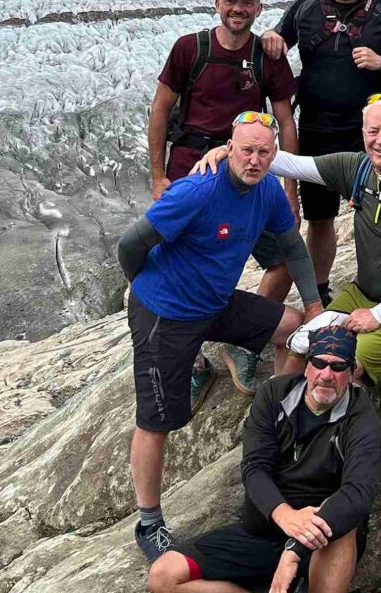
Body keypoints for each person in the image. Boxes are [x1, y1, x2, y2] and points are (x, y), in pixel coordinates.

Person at [146, 323, 380, 593]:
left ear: (351, 372)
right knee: (163, 576)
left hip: (322, 539)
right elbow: (254, 467)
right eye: (319, 362)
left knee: (343, 524)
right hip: (264, 527)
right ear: (306, 365)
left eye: (338, 366)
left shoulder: (361, 416)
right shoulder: (275, 393)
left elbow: (358, 494)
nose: (326, 374)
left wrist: (294, 546)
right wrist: (284, 516)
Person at [119, 114, 314, 564]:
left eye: (264, 152)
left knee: (296, 329)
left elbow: (293, 249)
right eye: (247, 150)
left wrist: (316, 306)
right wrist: (147, 290)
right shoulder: (198, 190)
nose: (255, 160)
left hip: (216, 303)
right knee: (158, 419)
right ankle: (149, 522)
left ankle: (277, 426)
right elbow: (131, 243)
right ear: (229, 147)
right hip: (165, 313)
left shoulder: (266, 189)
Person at [194, 94, 381, 383]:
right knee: (300, 342)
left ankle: (324, 424)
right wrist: (232, 153)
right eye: (373, 131)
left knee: (336, 362)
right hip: (361, 294)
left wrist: (378, 315)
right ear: (363, 133)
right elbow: (292, 165)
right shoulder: (357, 168)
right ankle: (276, 418)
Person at [147, 0, 307, 393]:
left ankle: (243, 345)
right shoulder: (190, 49)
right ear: (218, 4)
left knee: (284, 258)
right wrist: (159, 176)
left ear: (258, 8)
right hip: (192, 170)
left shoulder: (267, 55)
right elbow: (161, 110)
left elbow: (285, 120)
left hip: (245, 171)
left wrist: (290, 188)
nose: (238, 9)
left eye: (247, 2)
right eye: (231, 1)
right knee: (180, 265)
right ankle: (192, 357)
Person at [262, 0, 381, 296]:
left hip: (372, 133)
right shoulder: (305, 9)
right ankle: (319, 291)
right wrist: (271, 36)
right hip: (317, 129)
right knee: (320, 219)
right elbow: (276, 45)